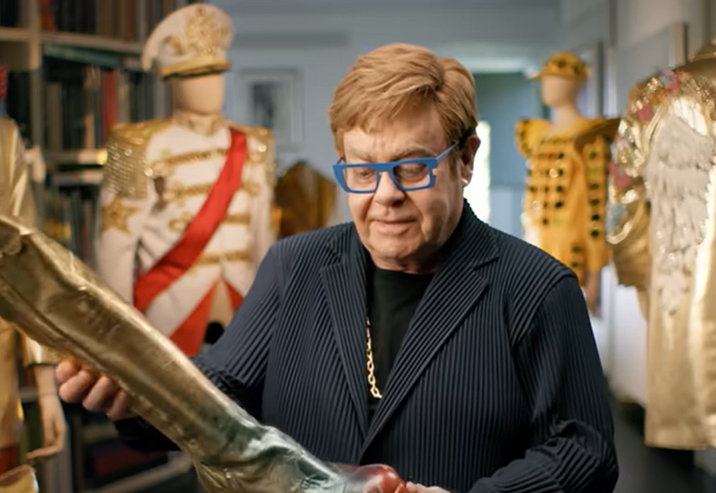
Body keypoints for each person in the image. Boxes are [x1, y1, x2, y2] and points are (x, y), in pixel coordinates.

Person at [57, 43, 618, 493]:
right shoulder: (293, 266)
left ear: (465, 160)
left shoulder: (537, 288)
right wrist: (139, 390)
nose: (386, 195)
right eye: (363, 171)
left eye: (412, 168)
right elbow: (221, 392)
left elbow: (584, 453)